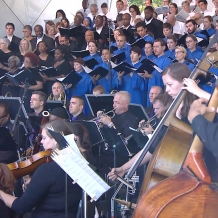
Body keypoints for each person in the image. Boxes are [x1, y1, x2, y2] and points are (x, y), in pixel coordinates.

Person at [108, 63, 196, 181]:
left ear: (185, 82)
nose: (167, 90)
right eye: (165, 85)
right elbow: (152, 147)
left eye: (170, 84)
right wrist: (124, 168)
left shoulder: (197, 108)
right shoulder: (171, 110)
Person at [0, 119, 82, 218]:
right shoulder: (79, 165)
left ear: (56, 140)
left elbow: (21, 206)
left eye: (44, 138)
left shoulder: (47, 170)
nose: (41, 142)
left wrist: (1, 193)